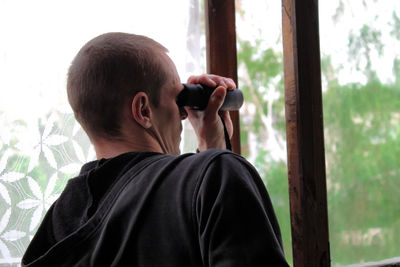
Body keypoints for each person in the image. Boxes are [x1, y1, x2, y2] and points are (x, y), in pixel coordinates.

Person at [22, 32, 289, 267]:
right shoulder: (217, 176)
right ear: (144, 110)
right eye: (178, 98)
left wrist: (210, 153)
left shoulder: (55, 227)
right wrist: (213, 162)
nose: (184, 115)